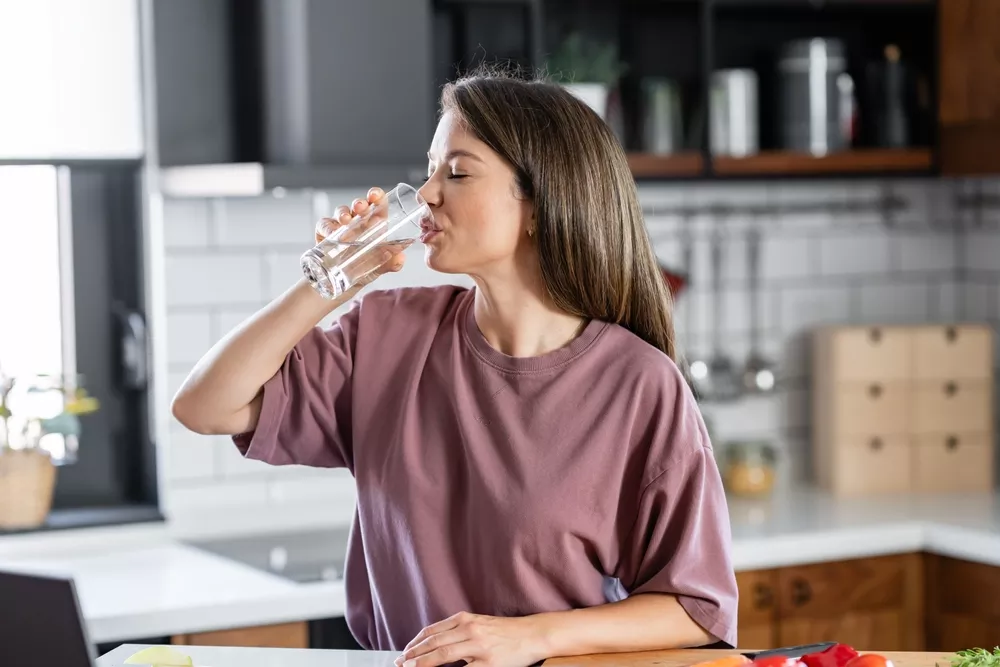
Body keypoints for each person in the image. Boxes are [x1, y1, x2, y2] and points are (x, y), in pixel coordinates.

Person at [171, 67, 738, 667]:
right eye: (431, 169)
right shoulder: (386, 334)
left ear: (540, 205)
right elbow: (205, 406)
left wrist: (532, 637)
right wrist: (327, 280)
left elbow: (695, 607)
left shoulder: (638, 385)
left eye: (457, 172)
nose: (427, 193)